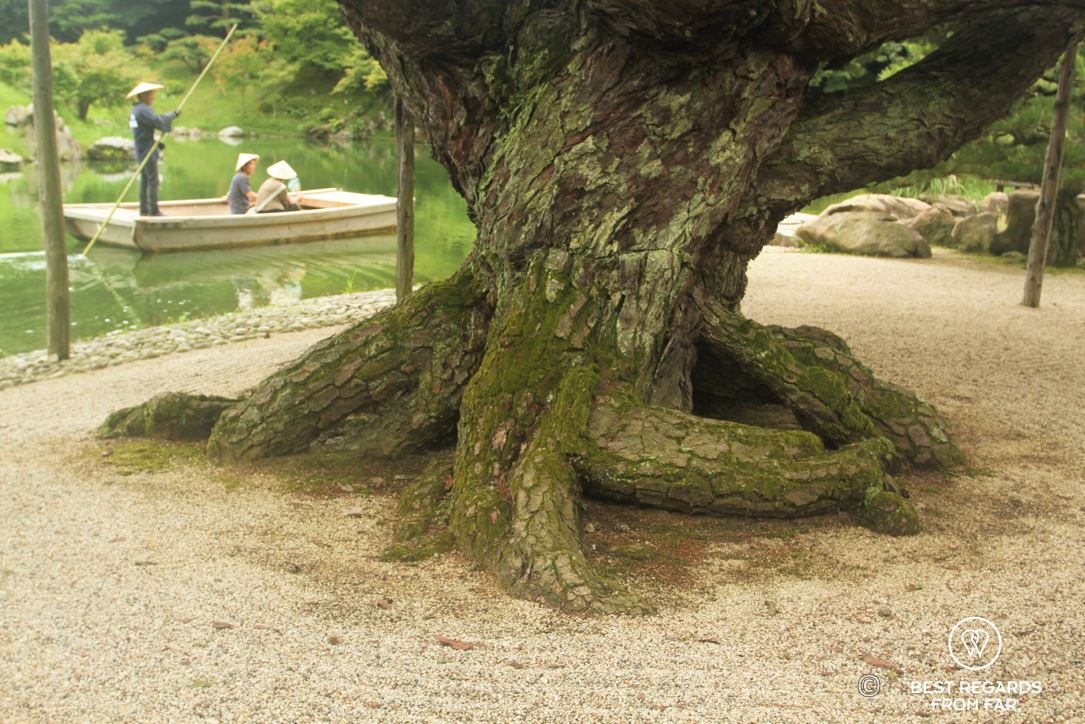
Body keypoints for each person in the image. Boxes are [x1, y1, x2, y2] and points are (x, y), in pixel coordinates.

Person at [126, 81, 179, 217]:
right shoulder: (143, 110)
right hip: (146, 149)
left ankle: (144, 209)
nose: (152, 97)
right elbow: (158, 122)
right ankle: (153, 211)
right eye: (151, 95)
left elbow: (146, 127)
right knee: (153, 180)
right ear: (144, 96)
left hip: (141, 148)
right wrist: (171, 115)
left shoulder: (135, 110)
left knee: (145, 180)